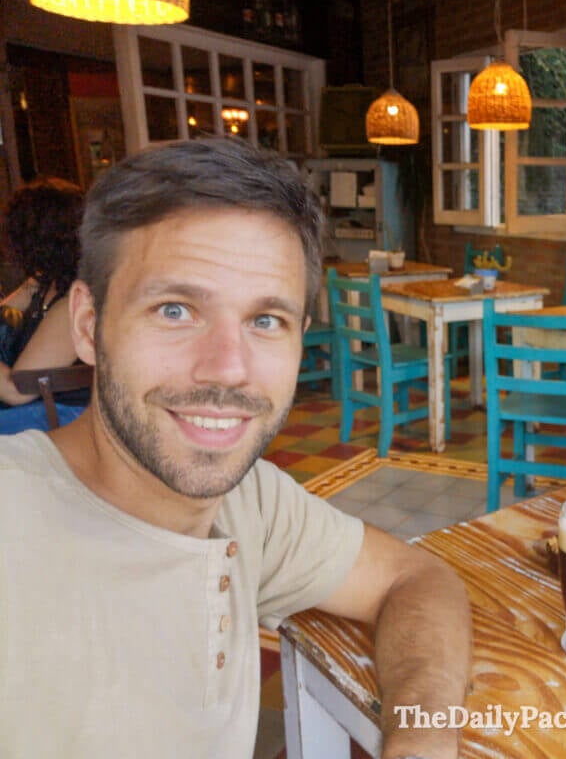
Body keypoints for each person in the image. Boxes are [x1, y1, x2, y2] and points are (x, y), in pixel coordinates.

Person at [0, 138, 472, 758]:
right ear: (87, 324)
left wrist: (421, 737)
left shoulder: (253, 505)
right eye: (175, 309)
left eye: (265, 321)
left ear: (301, 338)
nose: (228, 369)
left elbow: (418, 578)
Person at [0, 177, 87, 432]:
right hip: (36, 414)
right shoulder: (46, 281)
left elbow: (18, 391)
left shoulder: (77, 301)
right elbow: (5, 310)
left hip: (58, 422)